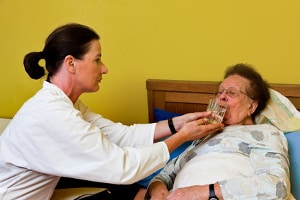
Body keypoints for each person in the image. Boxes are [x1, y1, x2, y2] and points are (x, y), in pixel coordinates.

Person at [0, 23, 223, 200]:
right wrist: (182, 136)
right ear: (71, 64)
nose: (104, 68)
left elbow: (120, 135)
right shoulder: (54, 115)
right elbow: (123, 168)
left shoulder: (66, 104)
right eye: (97, 60)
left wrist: (178, 123)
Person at [145, 63, 290, 200]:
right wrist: (159, 192)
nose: (222, 96)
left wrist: (204, 192)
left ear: (251, 107)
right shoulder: (202, 135)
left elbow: (277, 186)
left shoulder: (265, 132)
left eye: (232, 93)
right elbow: (163, 177)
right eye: (220, 92)